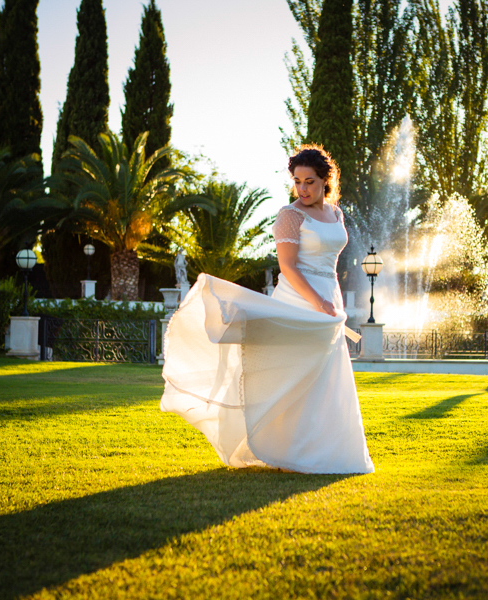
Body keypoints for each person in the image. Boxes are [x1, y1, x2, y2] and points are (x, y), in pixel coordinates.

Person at [160, 145, 374, 474]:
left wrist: (330, 300)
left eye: (310, 182)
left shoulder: (336, 214)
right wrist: (319, 302)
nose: (302, 189)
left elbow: (330, 260)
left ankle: (327, 453)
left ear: (325, 181)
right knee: (292, 370)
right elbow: (288, 267)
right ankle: (282, 448)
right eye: (297, 181)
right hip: (301, 298)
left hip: (329, 295)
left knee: (325, 376)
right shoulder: (290, 215)